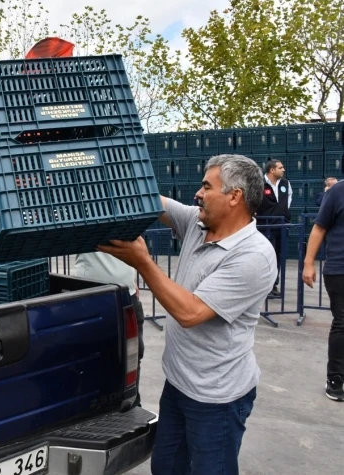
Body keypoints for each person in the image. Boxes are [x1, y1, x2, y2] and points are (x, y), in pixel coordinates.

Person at [99, 154, 276, 475]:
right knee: (166, 467)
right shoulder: (198, 222)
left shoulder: (254, 256)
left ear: (234, 196)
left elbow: (190, 312)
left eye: (207, 187)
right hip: (179, 384)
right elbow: (155, 202)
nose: (198, 193)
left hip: (217, 399)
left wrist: (143, 263)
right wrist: (105, 169)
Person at [74, 252, 145, 405]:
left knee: (133, 357)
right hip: (92, 294)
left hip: (127, 291)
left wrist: (130, 279)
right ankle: (96, 408)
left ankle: (131, 404)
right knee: (95, 360)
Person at [302, 180, 344, 402]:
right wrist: (308, 263)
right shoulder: (337, 191)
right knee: (342, 323)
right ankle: (336, 378)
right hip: (340, 270)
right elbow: (319, 227)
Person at [256, 159, 291, 297]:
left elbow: (288, 199)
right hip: (265, 226)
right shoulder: (260, 184)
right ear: (272, 170)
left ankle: (273, 285)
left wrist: (282, 213)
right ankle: (263, 287)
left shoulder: (285, 183)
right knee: (266, 257)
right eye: (280, 167)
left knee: (279, 256)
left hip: (282, 225)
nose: (283, 170)